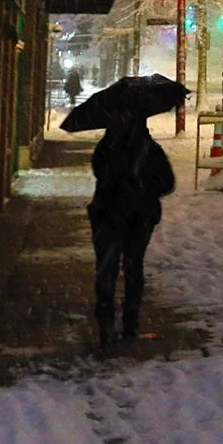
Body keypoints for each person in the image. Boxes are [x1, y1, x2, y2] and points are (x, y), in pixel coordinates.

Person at [87, 113, 176, 346]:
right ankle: (130, 320)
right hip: (140, 217)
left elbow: (99, 173)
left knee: (106, 269)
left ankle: (106, 321)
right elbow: (168, 183)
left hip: (107, 216)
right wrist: (143, 187)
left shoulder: (105, 147)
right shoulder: (150, 150)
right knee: (133, 266)